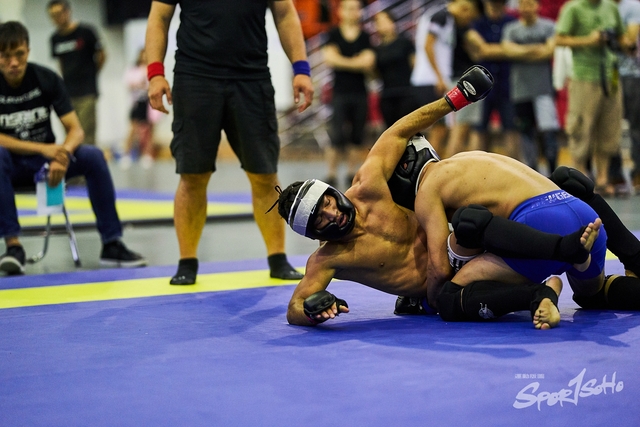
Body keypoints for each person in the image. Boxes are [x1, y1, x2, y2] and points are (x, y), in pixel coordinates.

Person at [274, 66, 624, 329]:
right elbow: (295, 308)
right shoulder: (327, 259)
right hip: (441, 281)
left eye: (327, 203)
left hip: (463, 256)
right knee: (456, 273)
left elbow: (398, 131)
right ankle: (549, 282)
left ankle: (553, 273)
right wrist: (312, 311)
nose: (332, 213)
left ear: (331, 192)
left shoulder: (369, 187)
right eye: (321, 219)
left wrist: (455, 99)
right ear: (315, 235)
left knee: (468, 233)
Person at [145, 0, 314, 285]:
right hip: (195, 77)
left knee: (264, 173)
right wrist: (155, 73)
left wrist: (301, 68)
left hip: (251, 78)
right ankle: (187, 262)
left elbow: (285, 14)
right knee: (192, 175)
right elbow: (159, 17)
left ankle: (278, 258)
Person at [0, 21, 146, 276]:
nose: (14, 62)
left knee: (93, 155)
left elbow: (76, 130)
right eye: (5, 56)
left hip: (46, 165)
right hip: (9, 166)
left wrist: (63, 154)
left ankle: (112, 243)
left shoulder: (46, 78)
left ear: (28, 51)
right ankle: (13, 247)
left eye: (19, 54)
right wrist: (43, 149)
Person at [555, 0, 626, 197]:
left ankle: (603, 179)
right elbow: (559, 39)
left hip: (611, 77)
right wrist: (589, 40)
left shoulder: (611, 7)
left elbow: (621, 36)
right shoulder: (573, 8)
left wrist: (625, 43)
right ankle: (580, 179)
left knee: (609, 129)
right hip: (583, 76)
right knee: (580, 128)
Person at [501, 0, 559, 174]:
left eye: (530, 4)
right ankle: (532, 171)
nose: (526, 8)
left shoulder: (548, 26)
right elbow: (507, 51)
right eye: (523, 4)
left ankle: (553, 172)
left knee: (548, 132)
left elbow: (550, 51)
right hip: (520, 91)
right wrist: (536, 49)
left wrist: (521, 51)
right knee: (526, 132)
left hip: (544, 89)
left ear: (537, 6)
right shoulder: (511, 29)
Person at [322, 0, 375, 190]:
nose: (354, 12)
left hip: (360, 92)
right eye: (350, 8)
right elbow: (329, 59)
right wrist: (355, 62)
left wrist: (342, 60)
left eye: (357, 8)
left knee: (357, 135)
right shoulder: (333, 33)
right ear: (341, 11)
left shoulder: (365, 36)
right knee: (336, 135)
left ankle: (352, 172)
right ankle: (331, 173)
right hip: (339, 92)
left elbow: (368, 62)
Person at [464, 0, 520, 160]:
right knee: (478, 129)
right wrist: (508, 50)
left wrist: (489, 50)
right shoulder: (477, 23)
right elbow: (478, 51)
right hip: (481, 85)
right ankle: (474, 166)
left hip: (507, 83)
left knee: (511, 128)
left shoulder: (512, 23)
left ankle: (514, 168)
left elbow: (485, 50)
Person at [47, 0, 105, 147]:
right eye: (53, 15)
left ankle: (89, 161)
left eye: (59, 13)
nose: (57, 18)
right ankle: (74, 161)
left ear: (68, 11)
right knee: (70, 134)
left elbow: (102, 55)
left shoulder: (86, 32)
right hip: (67, 92)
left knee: (86, 134)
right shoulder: (55, 39)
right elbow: (60, 63)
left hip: (87, 90)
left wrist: (92, 74)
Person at [371, 9, 416, 128]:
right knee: (390, 130)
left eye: (385, 21)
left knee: (407, 128)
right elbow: (375, 73)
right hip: (387, 94)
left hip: (405, 92)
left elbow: (414, 64)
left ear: (393, 22)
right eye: (379, 22)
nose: (382, 25)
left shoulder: (404, 42)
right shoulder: (376, 49)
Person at [613, 0, 640, 193]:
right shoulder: (600, 6)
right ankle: (614, 175)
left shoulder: (632, 6)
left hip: (632, 74)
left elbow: (630, 42)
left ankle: (638, 172)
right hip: (606, 75)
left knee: (636, 127)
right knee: (608, 127)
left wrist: (607, 38)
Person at [121, 48, 156, 170]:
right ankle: (126, 154)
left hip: (149, 103)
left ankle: (147, 154)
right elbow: (128, 83)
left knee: (149, 130)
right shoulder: (133, 70)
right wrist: (139, 83)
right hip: (137, 102)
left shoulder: (152, 69)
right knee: (133, 128)